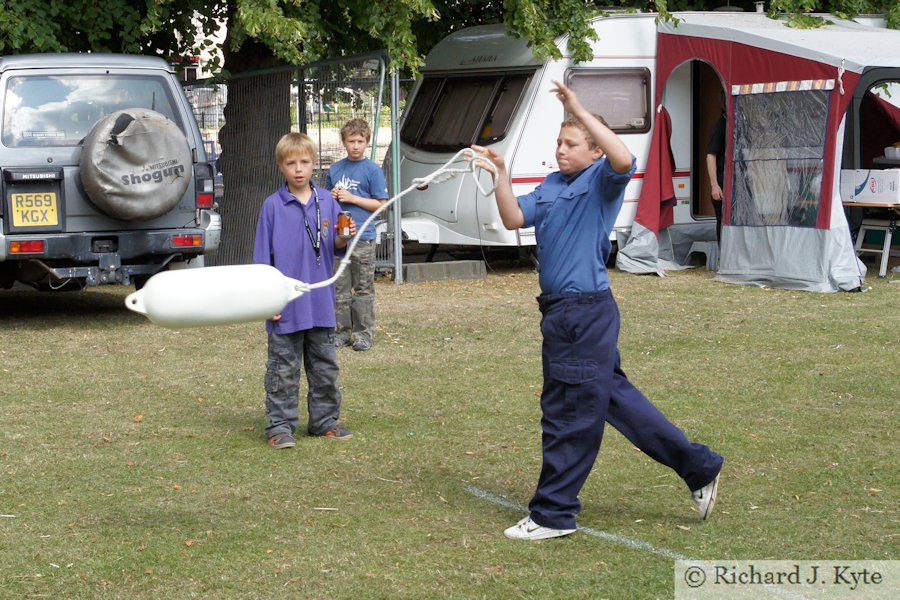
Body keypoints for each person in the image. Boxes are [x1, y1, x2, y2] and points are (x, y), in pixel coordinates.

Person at [473, 81, 724, 541]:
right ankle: (699, 466)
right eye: (559, 142)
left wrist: (578, 109)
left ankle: (553, 514)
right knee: (616, 402)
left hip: (583, 312)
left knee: (568, 412)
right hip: (560, 313)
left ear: (592, 150)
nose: (560, 150)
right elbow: (513, 219)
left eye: (570, 144)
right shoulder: (551, 185)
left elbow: (624, 158)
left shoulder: (602, 181)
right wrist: (500, 176)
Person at [253, 132, 356, 448]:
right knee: (283, 371)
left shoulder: (327, 201)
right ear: (281, 167)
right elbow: (261, 261)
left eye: (305, 162)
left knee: (325, 368)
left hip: (321, 305)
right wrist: (266, 301)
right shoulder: (272, 207)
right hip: (285, 307)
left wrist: (343, 236)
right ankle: (280, 427)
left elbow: (337, 247)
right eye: (291, 163)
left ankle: (324, 421)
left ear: (314, 164)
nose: (298, 169)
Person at [326, 118, 389, 352]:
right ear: (344, 142)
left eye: (360, 141)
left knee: (362, 287)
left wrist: (353, 198)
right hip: (340, 237)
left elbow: (382, 205)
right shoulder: (335, 169)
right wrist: (332, 195)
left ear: (367, 142)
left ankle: (363, 333)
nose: (355, 146)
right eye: (351, 141)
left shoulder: (372, 170)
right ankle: (341, 332)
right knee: (339, 286)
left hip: (363, 236)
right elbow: (327, 201)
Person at [706, 99, 727, 245]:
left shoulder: (737, 124)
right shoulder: (721, 125)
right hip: (721, 182)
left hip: (736, 182)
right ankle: (723, 255)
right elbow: (710, 155)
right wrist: (715, 185)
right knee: (723, 220)